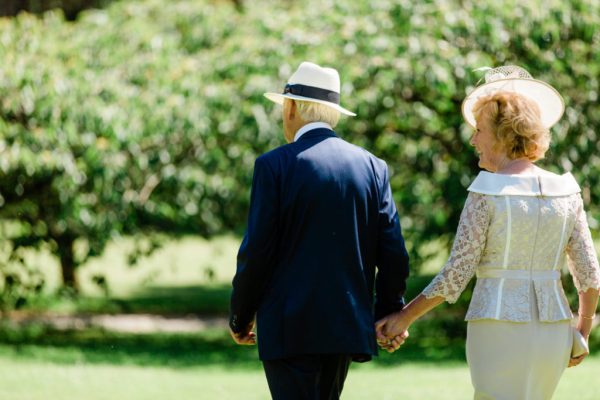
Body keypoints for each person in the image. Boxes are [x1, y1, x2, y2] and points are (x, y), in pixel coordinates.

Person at [375, 66, 600, 400]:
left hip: (498, 328)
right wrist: (582, 329)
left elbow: (457, 272)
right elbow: (589, 273)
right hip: (555, 331)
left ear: (504, 135)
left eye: (479, 130)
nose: (473, 140)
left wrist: (404, 318)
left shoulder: (487, 190)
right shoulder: (565, 190)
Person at [229, 61, 410, 400]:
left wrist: (240, 316)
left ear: (291, 108)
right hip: (344, 325)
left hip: (287, 327)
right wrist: (389, 313)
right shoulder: (373, 167)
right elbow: (393, 251)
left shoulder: (273, 166)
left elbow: (257, 251)